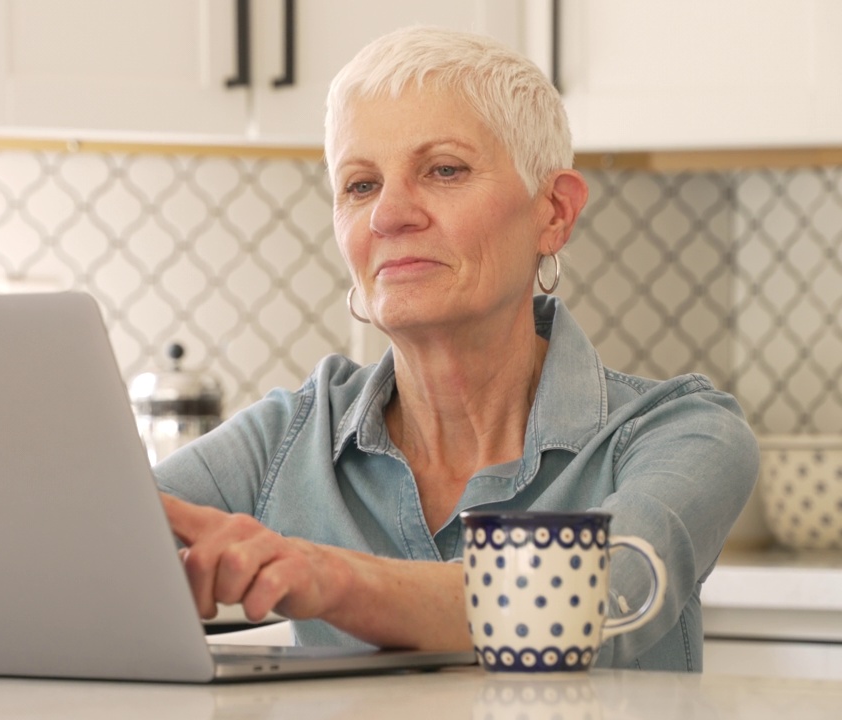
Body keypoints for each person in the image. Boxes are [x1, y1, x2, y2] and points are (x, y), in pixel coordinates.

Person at [153, 25, 759, 672]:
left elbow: (608, 596)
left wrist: (329, 577)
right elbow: (81, 544)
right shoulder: (285, 440)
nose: (388, 215)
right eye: (360, 186)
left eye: (444, 170)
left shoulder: (682, 432)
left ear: (554, 212)